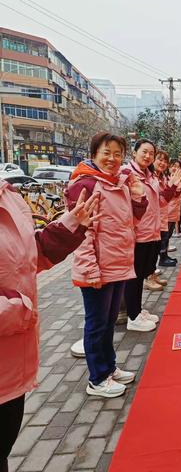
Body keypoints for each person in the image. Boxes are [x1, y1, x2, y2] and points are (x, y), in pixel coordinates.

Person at [0, 179, 98, 472]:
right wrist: (20, 309)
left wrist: (70, 225)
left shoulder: (9, 194)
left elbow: (28, 256)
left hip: (12, 363)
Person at [65, 132, 148, 398]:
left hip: (118, 263)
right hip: (97, 267)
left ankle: (109, 368)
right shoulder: (86, 185)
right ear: (94, 154)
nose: (112, 159)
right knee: (97, 323)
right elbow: (81, 233)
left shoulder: (118, 182)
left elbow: (130, 219)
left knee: (109, 321)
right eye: (106, 153)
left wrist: (138, 196)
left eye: (117, 153)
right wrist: (90, 270)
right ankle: (97, 379)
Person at [122, 139, 168, 333]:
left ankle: (137, 310)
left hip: (152, 232)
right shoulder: (127, 173)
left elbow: (160, 202)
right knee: (133, 277)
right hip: (137, 234)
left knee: (141, 275)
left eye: (151, 153)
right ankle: (132, 317)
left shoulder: (150, 176)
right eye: (144, 152)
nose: (148, 156)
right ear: (134, 152)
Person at [152, 150, 181, 269]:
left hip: (168, 212)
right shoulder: (154, 177)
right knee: (161, 239)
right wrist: (174, 186)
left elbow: (172, 196)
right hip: (162, 214)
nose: (162, 163)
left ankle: (162, 259)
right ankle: (153, 270)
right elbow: (162, 198)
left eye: (165, 160)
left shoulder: (162, 177)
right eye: (160, 159)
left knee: (166, 236)